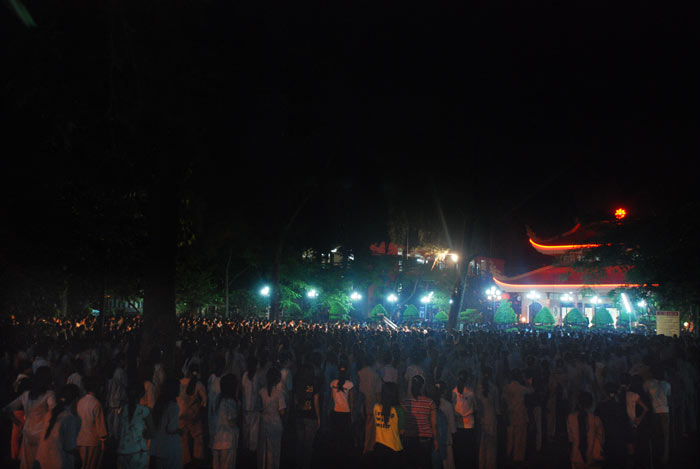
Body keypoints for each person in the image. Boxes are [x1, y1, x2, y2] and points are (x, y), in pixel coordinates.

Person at [3, 365, 56, 469]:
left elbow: (6, 409)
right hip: (42, 435)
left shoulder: (26, 395)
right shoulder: (49, 395)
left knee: (27, 463)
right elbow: (53, 410)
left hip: (28, 434)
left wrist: (18, 423)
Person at [35, 383, 81, 469]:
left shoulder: (50, 413)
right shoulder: (69, 418)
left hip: (42, 460)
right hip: (58, 461)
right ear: (75, 399)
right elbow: (69, 446)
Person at [402, 374, 438, 469]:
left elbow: (402, 422)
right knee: (425, 464)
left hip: (409, 438)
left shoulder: (405, 402)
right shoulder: (430, 402)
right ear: (422, 387)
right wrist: (435, 441)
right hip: (425, 439)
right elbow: (434, 424)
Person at [117, 382, 155, 469]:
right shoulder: (144, 410)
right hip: (138, 452)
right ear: (142, 394)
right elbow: (152, 432)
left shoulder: (122, 410)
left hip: (122, 451)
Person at [501, 369, 533, 465]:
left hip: (510, 415)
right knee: (519, 437)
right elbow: (531, 391)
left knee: (510, 437)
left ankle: (508, 455)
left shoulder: (506, 387)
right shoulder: (521, 388)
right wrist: (527, 381)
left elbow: (503, 401)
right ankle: (517, 458)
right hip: (520, 415)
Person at [177, 362, 207, 465]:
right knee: (198, 436)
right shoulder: (199, 384)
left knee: (183, 439)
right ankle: (198, 458)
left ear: (188, 371)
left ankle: (184, 461)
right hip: (193, 415)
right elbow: (204, 402)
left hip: (180, 415)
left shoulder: (180, 382)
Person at [75, 375, 108, 469]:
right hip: (92, 441)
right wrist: (103, 440)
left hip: (80, 440)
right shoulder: (96, 403)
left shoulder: (80, 402)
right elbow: (100, 425)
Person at [294, 357, 321, 469]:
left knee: (300, 444)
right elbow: (316, 401)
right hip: (311, 417)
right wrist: (319, 418)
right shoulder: (314, 383)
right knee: (308, 446)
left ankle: (298, 464)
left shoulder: (298, 383)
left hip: (300, 415)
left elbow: (295, 400)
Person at [150, 377, 182, 469]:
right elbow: (171, 428)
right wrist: (179, 431)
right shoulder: (173, 405)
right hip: (170, 447)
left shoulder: (159, 404)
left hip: (158, 448)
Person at [643, 363, 671, 468]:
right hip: (665, 411)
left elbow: (645, 394)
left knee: (655, 434)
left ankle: (656, 456)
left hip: (654, 411)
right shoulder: (667, 384)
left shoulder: (648, 383)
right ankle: (665, 456)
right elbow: (669, 397)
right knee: (666, 435)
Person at [567, 391, 604, 469]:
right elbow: (601, 438)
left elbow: (570, 438)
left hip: (576, 455)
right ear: (591, 404)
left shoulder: (570, 418)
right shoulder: (596, 419)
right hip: (592, 456)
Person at [259, 366, 286, 469]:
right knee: (274, 451)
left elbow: (259, 408)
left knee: (263, 450)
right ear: (278, 379)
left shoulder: (261, 391)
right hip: (275, 423)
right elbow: (282, 411)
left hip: (264, 422)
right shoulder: (279, 393)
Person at [210, 373, 240, 469]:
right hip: (228, 442)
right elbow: (232, 422)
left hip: (217, 440)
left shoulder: (217, 399)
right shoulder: (231, 402)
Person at [372, 381, 405, 467]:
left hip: (379, 447)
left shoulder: (376, 407)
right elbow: (402, 431)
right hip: (394, 447)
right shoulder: (399, 410)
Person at [329, 361, 355, 461]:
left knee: (336, 434)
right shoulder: (349, 384)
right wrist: (352, 415)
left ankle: (335, 454)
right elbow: (351, 402)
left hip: (335, 411)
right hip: (345, 412)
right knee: (345, 434)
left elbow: (331, 398)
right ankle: (343, 455)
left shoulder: (333, 383)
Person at [358, 352, 382, 455]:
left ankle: (360, 444)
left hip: (361, 402)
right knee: (370, 426)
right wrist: (380, 404)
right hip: (371, 403)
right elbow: (378, 392)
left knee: (361, 425)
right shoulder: (375, 375)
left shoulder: (359, 372)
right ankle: (368, 447)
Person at [452, 369, 477, 468]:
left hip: (469, 424)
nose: (461, 380)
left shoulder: (470, 392)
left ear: (465, 380)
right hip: (457, 424)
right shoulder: (453, 392)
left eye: (463, 379)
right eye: (460, 378)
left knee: (468, 447)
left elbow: (475, 407)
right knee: (459, 447)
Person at [476, 366, 498, 469]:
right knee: (491, 445)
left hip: (482, 418)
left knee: (482, 444)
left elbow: (477, 405)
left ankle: (482, 465)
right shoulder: (494, 388)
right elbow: (497, 408)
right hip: (491, 418)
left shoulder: (478, 388)